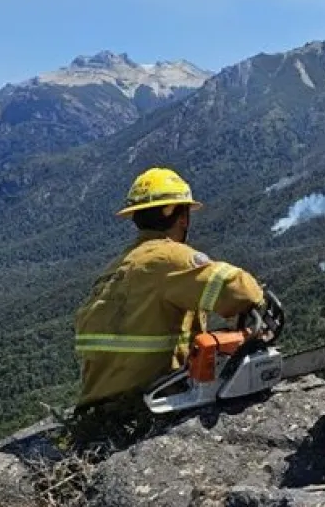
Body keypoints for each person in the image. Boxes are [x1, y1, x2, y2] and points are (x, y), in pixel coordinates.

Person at [73, 167, 268, 419]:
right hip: (148, 405)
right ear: (182, 217)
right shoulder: (169, 257)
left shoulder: (117, 267)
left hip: (98, 411)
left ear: (136, 218)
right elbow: (241, 292)